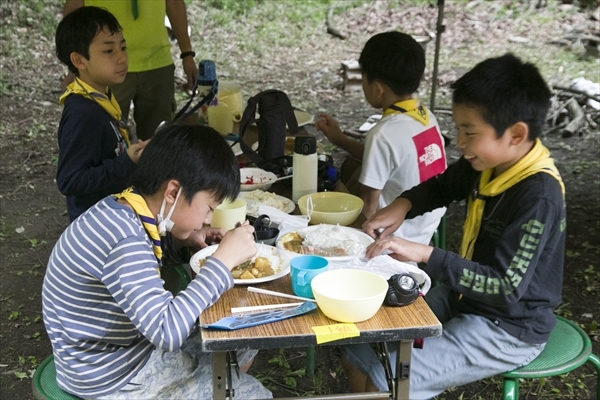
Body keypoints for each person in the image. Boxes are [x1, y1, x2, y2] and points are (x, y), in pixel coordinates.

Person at [342, 53, 566, 399]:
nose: (459, 142)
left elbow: (505, 287)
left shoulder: (538, 197)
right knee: (361, 344)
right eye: (459, 129)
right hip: (466, 299)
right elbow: (443, 185)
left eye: (469, 132)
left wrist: (425, 253)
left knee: (390, 379)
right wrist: (402, 205)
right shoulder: (489, 162)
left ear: (516, 134)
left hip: (508, 326)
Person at [42, 123, 272, 399]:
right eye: (209, 208)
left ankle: (220, 385)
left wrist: (182, 237)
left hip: (118, 349)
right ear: (173, 192)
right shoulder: (124, 240)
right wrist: (222, 262)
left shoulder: (123, 209)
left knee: (244, 336)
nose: (209, 219)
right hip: (110, 374)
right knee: (254, 394)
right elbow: (167, 332)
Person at [316, 31, 446, 245]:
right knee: (352, 166)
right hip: (426, 225)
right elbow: (389, 160)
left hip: (396, 237)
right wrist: (339, 140)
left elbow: (368, 206)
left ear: (378, 88)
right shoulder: (424, 115)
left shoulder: (383, 134)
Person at [55, 6, 148, 222]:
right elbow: (70, 180)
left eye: (123, 48)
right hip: (96, 226)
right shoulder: (83, 112)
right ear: (79, 61)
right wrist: (127, 162)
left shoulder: (101, 97)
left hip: (112, 214)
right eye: (108, 51)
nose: (122, 58)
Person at [62, 0, 199, 140]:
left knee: (159, 143)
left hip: (157, 62)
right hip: (104, 67)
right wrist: (76, 67)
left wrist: (187, 53)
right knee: (102, 138)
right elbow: (74, 11)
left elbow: (174, 3)